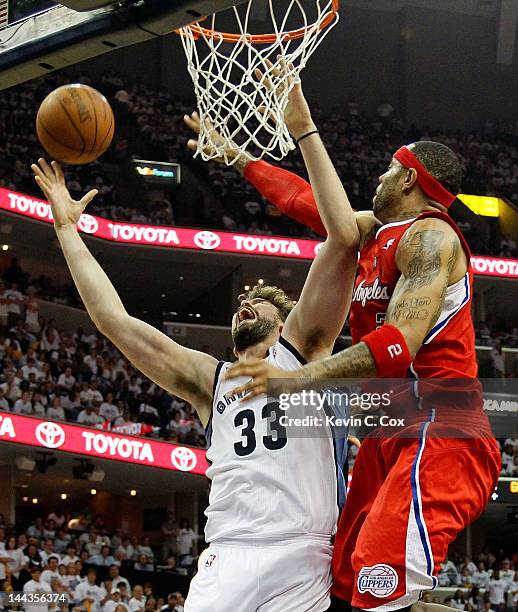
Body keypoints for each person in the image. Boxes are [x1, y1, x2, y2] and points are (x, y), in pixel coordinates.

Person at [31, 67, 360, 612]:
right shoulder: (210, 379)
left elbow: (344, 239)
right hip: (226, 553)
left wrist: (303, 131)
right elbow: (114, 321)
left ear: (284, 318)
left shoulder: (304, 348)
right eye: (239, 303)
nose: (243, 304)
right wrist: (67, 231)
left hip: (302, 556)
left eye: (256, 301)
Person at [203, 77, 501, 612]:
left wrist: (295, 378)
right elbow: (304, 200)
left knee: (376, 581)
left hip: (443, 429)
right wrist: (239, 158)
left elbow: (397, 344)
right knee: (339, 582)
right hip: (391, 431)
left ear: (408, 176)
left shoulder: (431, 238)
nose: (378, 177)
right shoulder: (374, 231)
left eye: (388, 169)